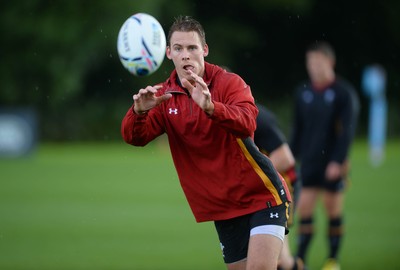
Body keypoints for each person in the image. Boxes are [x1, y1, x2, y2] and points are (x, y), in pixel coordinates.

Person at [121, 15, 291, 270]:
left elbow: (247, 123)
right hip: (223, 208)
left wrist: (212, 107)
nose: (186, 55)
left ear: (205, 50)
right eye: (178, 48)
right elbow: (134, 138)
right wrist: (139, 112)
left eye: (192, 48)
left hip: (261, 196)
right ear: (168, 53)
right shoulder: (163, 96)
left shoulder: (229, 83)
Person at [289, 41, 359, 270]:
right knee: (305, 209)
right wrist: (290, 156)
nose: (313, 66)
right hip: (309, 162)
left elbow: (347, 132)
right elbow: (297, 130)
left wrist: (338, 161)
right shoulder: (303, 92)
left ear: (330, 62)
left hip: (332, 163)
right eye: (310, 62)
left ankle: (332, 259)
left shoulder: (343, 93)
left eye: (318, 61)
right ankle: (300, 259)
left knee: (332, 209)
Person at [254, 103, 304, 270]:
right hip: (258, 190)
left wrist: (250, 179)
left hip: (281, 186)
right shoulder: (221, 115)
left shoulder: (259, 117)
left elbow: (285, 159)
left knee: (280, 260)